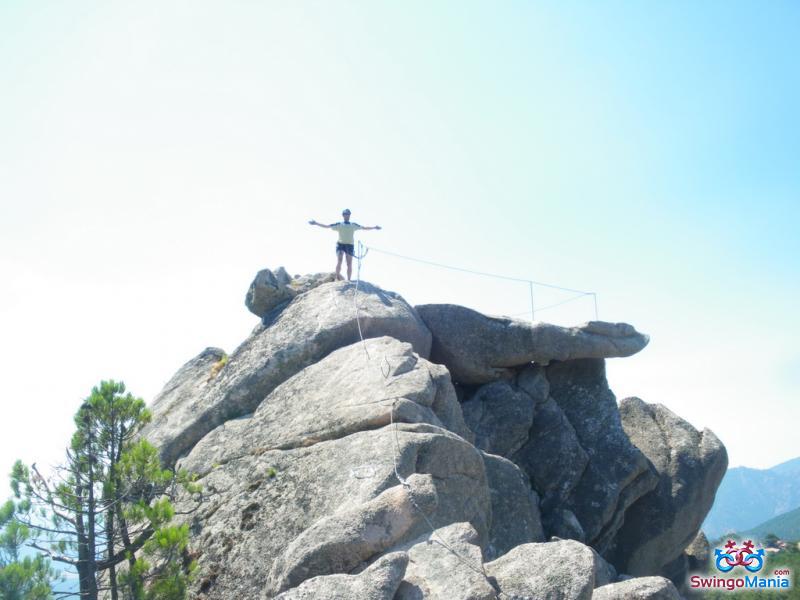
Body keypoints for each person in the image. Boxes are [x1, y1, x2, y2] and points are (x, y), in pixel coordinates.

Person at [309, 209, 382, 281]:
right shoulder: (339, 224)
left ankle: (349, 279)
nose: (347, 216)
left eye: (348, 214)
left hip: (349, 245)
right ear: (343, 215)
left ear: (350, 215)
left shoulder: (353, 225)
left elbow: (364, 228)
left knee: (349, 263)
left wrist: (374, 227)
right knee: (339, 260)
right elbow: (327, 226)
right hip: (340, 244)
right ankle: (337, 276)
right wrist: (316, 223)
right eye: (345, 214)